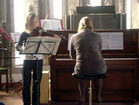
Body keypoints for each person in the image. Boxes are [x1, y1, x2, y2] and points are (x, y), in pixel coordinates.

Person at [16, 12, 56, 105]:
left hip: (38, 61)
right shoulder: (24, 34)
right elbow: (17, 47)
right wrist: (23, 48)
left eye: (36, 22)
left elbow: (51, 38)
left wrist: (53, 36)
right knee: (26, 85)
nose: (36, 24)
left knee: (37, 85)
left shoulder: (40, 32)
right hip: (27, 61)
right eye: (34, 22)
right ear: (29, 23)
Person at [69, 16, 107, 105]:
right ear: (91, 25)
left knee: (81, 69)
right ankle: (98, 97)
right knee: (98, 70)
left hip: (82, 68)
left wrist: (82, 58)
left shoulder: (74, 37)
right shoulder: (98, 36)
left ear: (80, 25)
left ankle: (82, 98)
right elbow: (99, 51)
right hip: (98, 66)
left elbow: (72, 56)